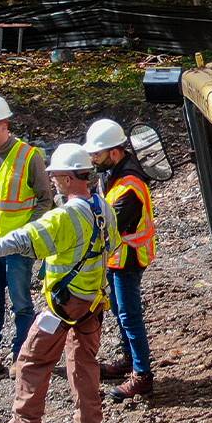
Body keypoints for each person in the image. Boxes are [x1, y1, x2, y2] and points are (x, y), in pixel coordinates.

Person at [0, 144, 120, 423]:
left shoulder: (65, 217)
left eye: (55, 176)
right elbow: (114, 244)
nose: (52, 180)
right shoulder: (102, 206)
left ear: (68, 178)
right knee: (84, 364)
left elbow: (23, 239)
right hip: (93, 302)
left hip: (63, 306)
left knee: (31, 359)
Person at [0, 94, 52, 384]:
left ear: (3, 125)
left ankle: (21, 356)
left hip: (17, 244)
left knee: (20, 301)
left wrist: (28, 233)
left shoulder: (29, 156)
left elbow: (44, 200)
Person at [83, 119, 157, 401]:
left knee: (129, 315)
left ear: (114, 152)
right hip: (117, 259)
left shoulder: (128, 186)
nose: (93, 159)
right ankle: (129, 361)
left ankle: (142, 375)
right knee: (120, 311)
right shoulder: (112, 173)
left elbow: (109, 226)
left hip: (129, 259)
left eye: (97, 154)